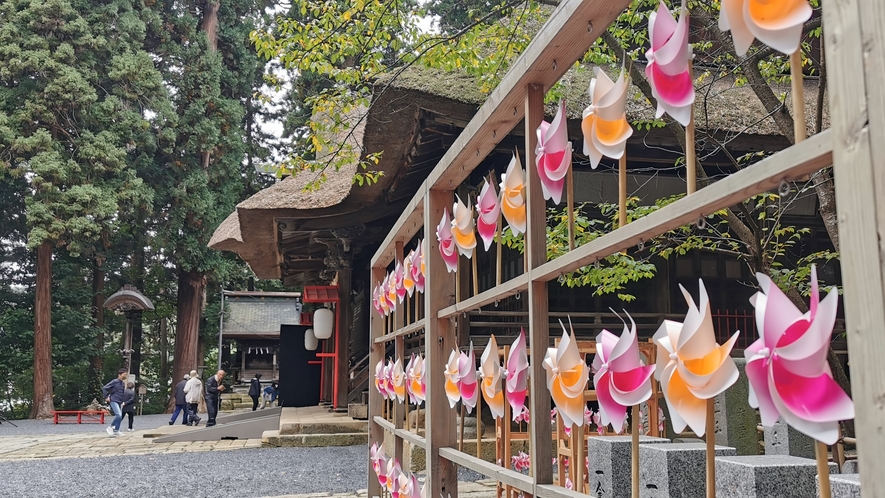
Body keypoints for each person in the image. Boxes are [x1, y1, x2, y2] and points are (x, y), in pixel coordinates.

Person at [102, 368, 128, 436]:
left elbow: (122, 393)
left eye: (126, 374)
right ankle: (111, 427)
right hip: (113, 400)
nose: (125, 376)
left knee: (120, 416)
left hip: (119, 401)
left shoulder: (122, 383)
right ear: (119, 375)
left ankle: (116, 430)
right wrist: (106, 397)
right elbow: (105, 388)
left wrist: (123, 401)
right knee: (118, 415)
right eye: (124, 374)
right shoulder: (114, 381)